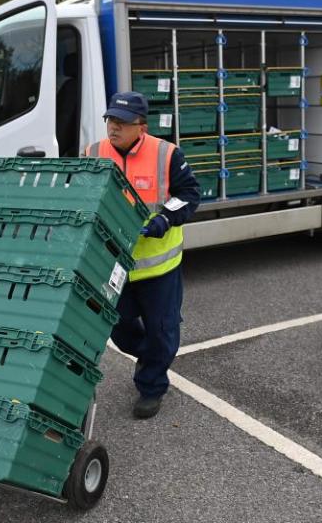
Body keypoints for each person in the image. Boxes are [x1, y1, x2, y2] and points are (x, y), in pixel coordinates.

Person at [84, 91, 200, 419]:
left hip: (158, 267)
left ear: (142, 126)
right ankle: (151, 356)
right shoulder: (92, 153)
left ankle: (151, 386)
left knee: (162, 329)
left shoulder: (167, 154)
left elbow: (190, 194)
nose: (114, 128)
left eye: (122, 122)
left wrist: (165, 218)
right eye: (110, 120)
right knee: (118, 325)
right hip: (114, 263)